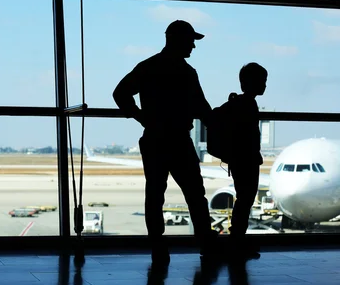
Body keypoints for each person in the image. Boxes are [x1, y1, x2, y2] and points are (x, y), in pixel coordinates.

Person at [113, 20, 217, 265]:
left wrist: (140, 117)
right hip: (179, 140)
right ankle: (207, 243)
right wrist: (220, 125)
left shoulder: (149, 67)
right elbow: (202, 108)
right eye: (191, 40)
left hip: (156, 139)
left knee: (155, 194)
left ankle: (158, 246)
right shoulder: (187, 72)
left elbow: (120, 93)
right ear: (179, 40)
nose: (193, 46)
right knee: (195, 195)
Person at [226, 62, 268, 259]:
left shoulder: (239, 103)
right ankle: (236, 242)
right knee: (245, 200)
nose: (265, 85)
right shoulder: (248, 104)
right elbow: (248, 135)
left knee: (243, 199)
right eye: (263, 81)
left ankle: (236, 241)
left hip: (239, 159)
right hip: (246, 160)